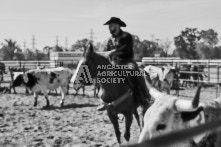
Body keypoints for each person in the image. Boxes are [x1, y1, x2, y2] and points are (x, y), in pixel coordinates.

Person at [97, 17, 150, 111]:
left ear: (117, 25)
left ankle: (143, 97)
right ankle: (103, 100)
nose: (109, 27)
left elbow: (126, 49)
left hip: (127, 61)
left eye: (111, 25)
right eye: (109, 26)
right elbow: (105, 51)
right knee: (102, 74)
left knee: (135, 71)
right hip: (113, 62)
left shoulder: (126, 36)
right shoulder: (109, 40)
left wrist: (113, 51)